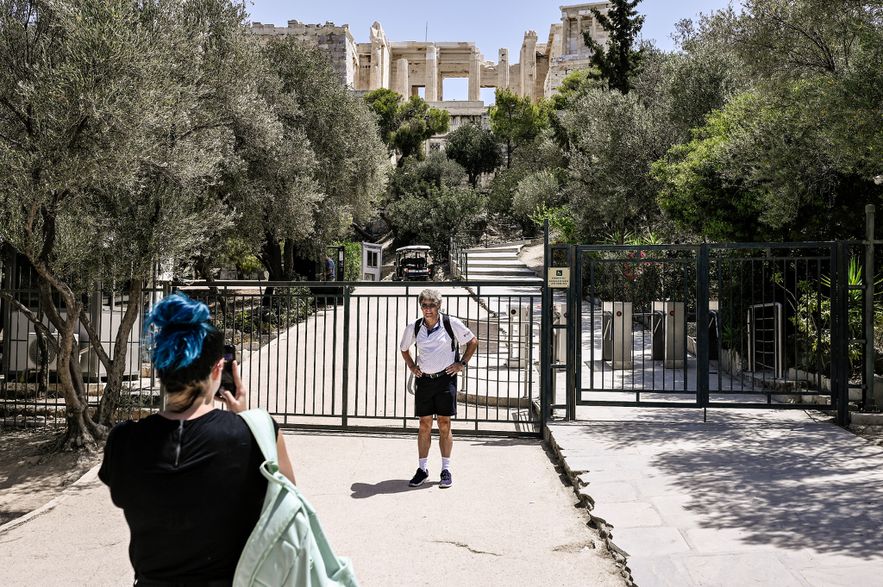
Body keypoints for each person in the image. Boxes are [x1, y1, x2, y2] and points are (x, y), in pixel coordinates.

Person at [99, 292, 295, 586]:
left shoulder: (123, 441)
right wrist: (246, 419)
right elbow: (289, 504)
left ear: (160, 368)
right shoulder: (256, 433)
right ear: (218, 368)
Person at [399, 289, 478, 489]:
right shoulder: (415, 327)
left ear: (439, 306)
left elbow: (472, 341)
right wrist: (412, 366)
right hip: (424, 381)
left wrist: (462, 364)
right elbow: (404, 348)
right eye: (424, 305)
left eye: (431, 305)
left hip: (445, 379)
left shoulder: (451, 324)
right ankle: (422, 469)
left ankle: (445, 469)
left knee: (444, 424)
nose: (427, 309)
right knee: (424, 425)